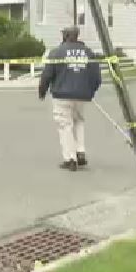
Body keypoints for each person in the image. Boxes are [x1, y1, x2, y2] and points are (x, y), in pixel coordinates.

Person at [38, 26, 103, 171]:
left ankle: (70, 158)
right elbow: (97, 77)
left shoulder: (57, 52)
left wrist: (42, 91)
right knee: (79, 121)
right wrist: (90, 91)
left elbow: (47, 74)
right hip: (82, 95)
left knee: (65, 125)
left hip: (62, 95)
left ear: (66, 36)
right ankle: (80, 151)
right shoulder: (88, 53)